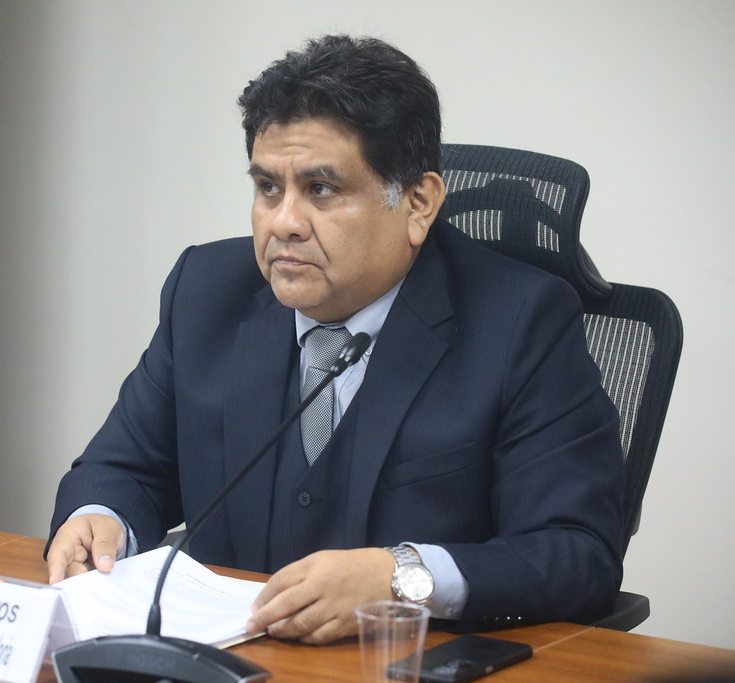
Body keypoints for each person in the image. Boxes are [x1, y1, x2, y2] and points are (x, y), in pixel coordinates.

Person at [45, 34, 624, 644]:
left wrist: (401, 577)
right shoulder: (206, 292)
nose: (285, 222)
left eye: (321, 189)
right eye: (268, 188)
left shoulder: (520, 320)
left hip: (401, 664)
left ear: (419, 203)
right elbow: (124, 467)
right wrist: (99, 520)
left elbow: (575, 552)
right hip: (220, 658)